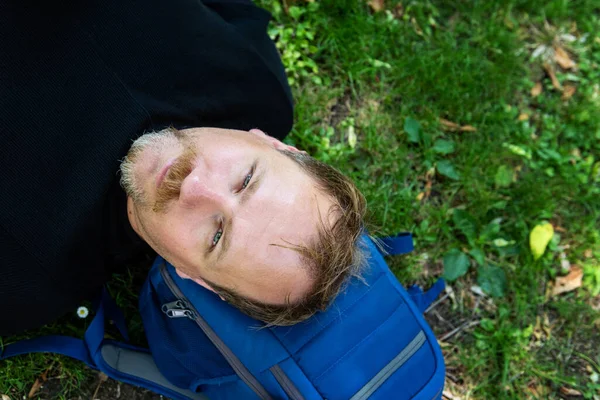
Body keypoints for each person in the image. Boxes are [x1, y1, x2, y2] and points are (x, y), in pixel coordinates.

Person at [0, 0, 366, 335]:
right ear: (275, 144)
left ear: (196, 278)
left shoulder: (24, 283)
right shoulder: (258, 87)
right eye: (246, 180)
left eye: (217, 236)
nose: (197, 188)